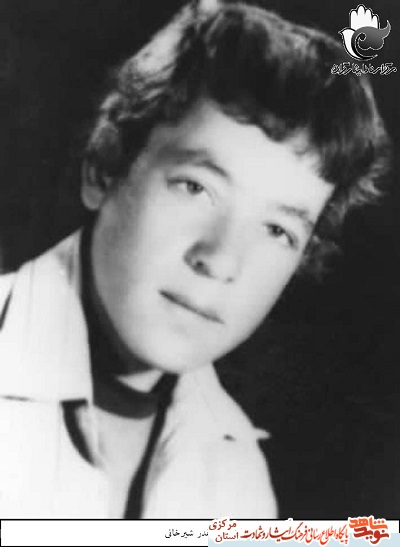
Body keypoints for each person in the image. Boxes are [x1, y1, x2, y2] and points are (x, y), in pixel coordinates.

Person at [0, 0, 390, 519]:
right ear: (104, 166)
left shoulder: (237, 472)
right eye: (195, 188)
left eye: (277, 230)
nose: (221, 259)